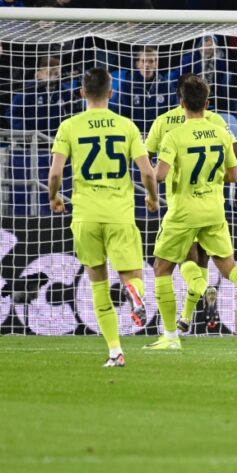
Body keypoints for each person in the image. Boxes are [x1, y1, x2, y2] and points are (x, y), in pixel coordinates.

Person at [146, 75, 237, 350]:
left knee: (162, 269)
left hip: (183, 211)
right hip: (214, 210)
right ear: (207, 103)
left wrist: (152, 192)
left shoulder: (172, 133)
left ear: (181, 102)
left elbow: (159, 174)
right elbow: (235, 175)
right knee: (230, 268)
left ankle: (171, 336)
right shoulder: (221, 131)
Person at [48, 68, 159, 367]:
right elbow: (147, 172)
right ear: (111, 93)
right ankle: (135, 294)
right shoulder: (126, 126)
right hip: (120, 214)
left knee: (98, 283)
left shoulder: (69, 126)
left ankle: (114, 351)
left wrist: (54, 197)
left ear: (83, 93)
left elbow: (56, 172)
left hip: (85, 215)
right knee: (131, 275)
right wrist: (152, 197)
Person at [110, 46, 177, 134]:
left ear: (156, 64)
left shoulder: (166, 86)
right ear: (137, 64)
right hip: (135, 136)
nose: (147, 65)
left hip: (159, 136)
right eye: (143, 61)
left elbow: (172, 114)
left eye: (151, 61)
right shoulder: (126, 86)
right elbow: (119, 113)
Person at [10, 56, 79, 136]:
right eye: (49, 74)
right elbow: (12, 113)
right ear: (38, 74)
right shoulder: (28, 91)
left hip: (57, 140)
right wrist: (25, 132)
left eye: (56, 74)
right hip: (33, 141)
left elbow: (71, 115)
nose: (53, 77)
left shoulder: (65, 93)